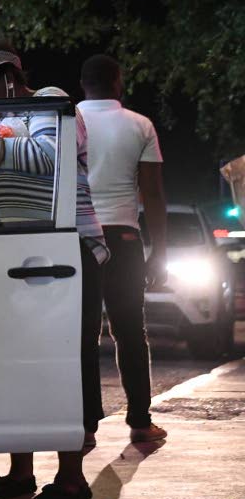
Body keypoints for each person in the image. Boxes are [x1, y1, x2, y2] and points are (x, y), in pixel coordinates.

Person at [0, 39, 107, 499]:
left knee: (64, 363)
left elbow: (50, 156)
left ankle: (72, 477)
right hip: (20, 257)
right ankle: (21, 471)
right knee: (20, 365)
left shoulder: (49, 102)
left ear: (8, 77)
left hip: (66, 253)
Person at [77, 54, 168, 443]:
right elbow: (153, 193)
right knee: (130, 329)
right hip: (123, 237)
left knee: (82, 333)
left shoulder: (67, 121)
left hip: (77, 236)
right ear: (118, 82)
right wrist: (159, 250)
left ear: (83, 84)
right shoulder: (139, 124)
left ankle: (85, 427)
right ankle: (140, 421)